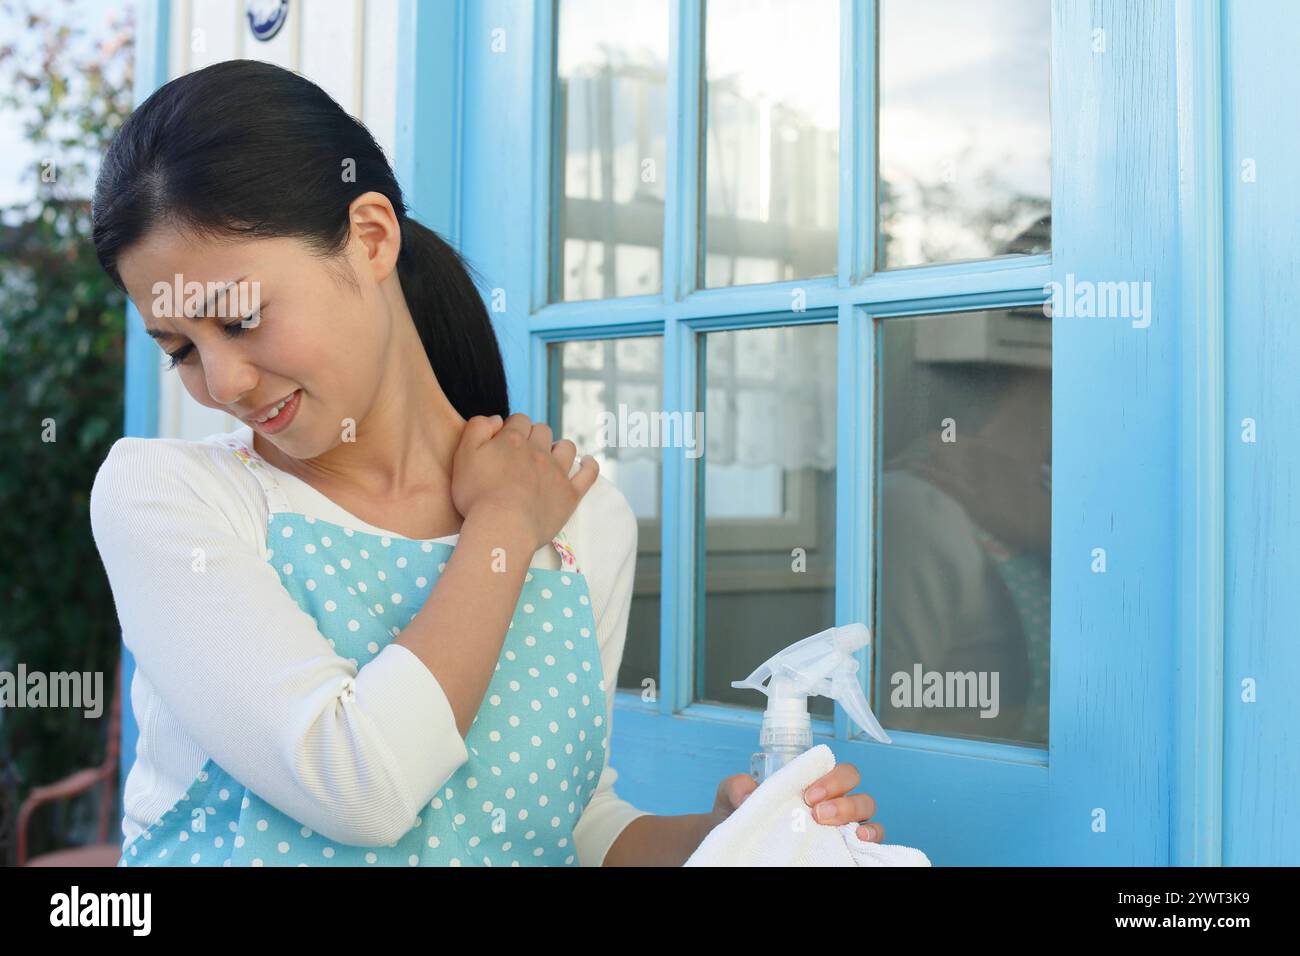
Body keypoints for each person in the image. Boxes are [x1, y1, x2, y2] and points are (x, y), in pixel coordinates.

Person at [88, 58, 884, 866]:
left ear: (370, 238)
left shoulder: (583, 523)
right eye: (181, 349)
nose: (222, 383)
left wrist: (728, 841)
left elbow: (567, 826)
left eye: (242, 317)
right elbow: (356, 782)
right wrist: (502, 524)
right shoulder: (173, 500)